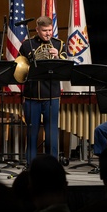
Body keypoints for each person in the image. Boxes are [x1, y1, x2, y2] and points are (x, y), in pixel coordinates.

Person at [18, 15, 65, 165]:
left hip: (52, 96)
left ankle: (52, 165)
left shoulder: (58, 44)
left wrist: (57, 56)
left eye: (50, 30)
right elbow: (20, 68)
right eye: (44, 30)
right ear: (37, 29)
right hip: (32, 96)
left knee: (51, 134)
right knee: (32, 134)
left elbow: (65, 68)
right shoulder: (27, 45)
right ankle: (30, 165)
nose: (48, 34)